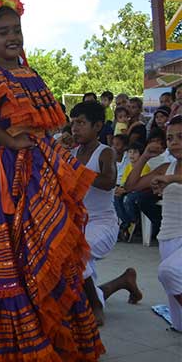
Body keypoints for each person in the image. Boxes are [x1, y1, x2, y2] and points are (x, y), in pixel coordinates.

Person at [0, 0, 103, 362]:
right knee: (14, 249)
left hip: (42, 165)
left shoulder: (31, 74)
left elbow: (46, 123)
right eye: (3, 33)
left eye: (16, 30)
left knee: (50, 242)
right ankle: (17, 344)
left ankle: (53, 335)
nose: (12, 37)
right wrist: (10, 141)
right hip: (11, 172)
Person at [70, 102, 141, 326]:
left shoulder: (105, 152)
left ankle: (96, 307)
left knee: (76, 255)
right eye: (73, 124)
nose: (75, 129)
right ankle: (123, 281)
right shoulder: (71, 153)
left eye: (81, 123)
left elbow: (109, 182)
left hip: (103, 224)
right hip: (78, 223)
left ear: (98, 125)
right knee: (71, 265)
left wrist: (75, 171)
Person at [126, 115, 182, 330]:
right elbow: (132, 186)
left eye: (180, 137)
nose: (174, 142)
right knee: (178, 323)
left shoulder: (169, 175)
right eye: (170, 138)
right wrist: (145, 158)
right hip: (168, 238)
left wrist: (172, 180)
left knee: (168, 272)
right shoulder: (166, 167)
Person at [115, 142, 151, 241]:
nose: (131, 155)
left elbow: (141, 185)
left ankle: (134, 221)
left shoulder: (145, 167)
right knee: (116, 197)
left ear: (141, 155)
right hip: (130, 190)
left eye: (135, 152)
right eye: (129, 152)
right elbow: (124, 182)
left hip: (142, 191)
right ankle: (127, 222)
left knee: (128, 199)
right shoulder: (128, 167)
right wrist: (120, 189)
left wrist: (125, 190)